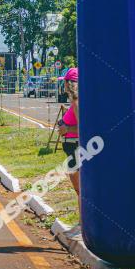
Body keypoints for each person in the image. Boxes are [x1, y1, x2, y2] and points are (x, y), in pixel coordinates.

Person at [57, 68, 80, 196]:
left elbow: (85, 127)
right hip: (72, 148)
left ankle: (83, 216)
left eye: (64, 82)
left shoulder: (76, 101)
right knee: (80, 192)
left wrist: (67, 129)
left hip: (75, 147)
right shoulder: (74, 101)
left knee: (81, 192)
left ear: (68, 83)